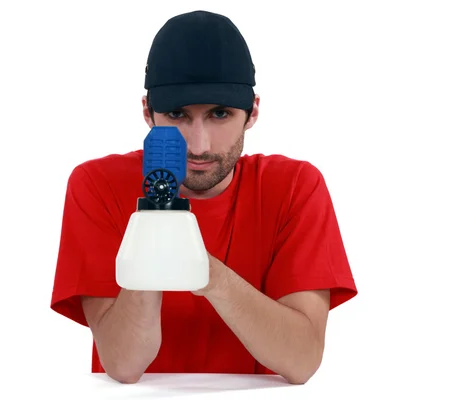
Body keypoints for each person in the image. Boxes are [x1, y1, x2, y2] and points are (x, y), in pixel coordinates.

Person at [50, 10, 357, 385]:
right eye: (178, 114)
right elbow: (123, 364)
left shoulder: (295, 186)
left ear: (252, 113)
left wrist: (208, 275)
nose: (199, 145)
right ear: (148, 112)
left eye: (220, 113)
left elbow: (302, 359)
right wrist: (154, 225)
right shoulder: (96, 184)